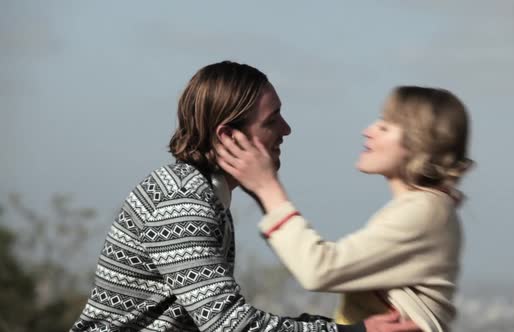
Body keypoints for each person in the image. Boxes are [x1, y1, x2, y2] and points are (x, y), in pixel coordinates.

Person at [70, 61, 414, 332]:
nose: (286, 129)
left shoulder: (204, 194)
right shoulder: (182, 203)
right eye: (272, 120)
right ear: (229, 136)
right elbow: (230, 325)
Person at [215, 86, 473, 332]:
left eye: (384, 126)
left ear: (419, 142)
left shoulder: (424, 212)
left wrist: (267, 188)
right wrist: (261, 187)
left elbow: (319, 270)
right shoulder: (426, 209)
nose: (368, 131)